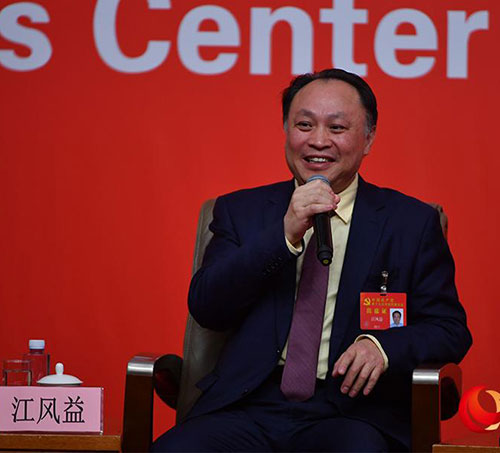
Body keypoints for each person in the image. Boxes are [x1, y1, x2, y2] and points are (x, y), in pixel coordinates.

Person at [152, 68, 472, 452]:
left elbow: (449, 329)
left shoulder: (410, 223)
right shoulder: (241, 211)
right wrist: (283, 234)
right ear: (286, 130)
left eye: (337, 128)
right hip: (247, 406)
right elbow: (208, 306)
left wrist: (382, 346)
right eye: (304, 125)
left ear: (368, 138)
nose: (318, 141)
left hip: (353, 413)